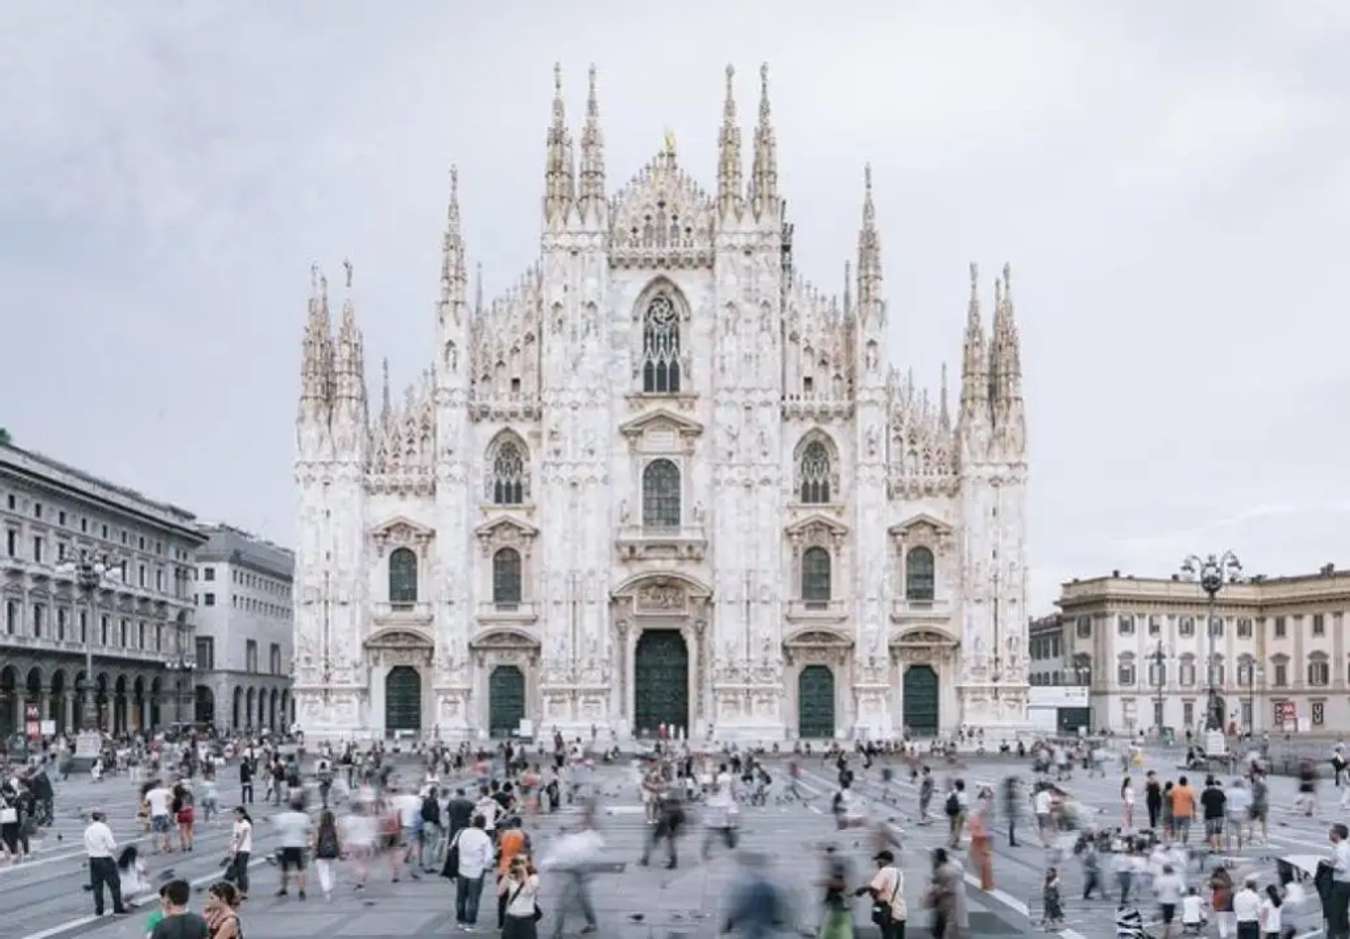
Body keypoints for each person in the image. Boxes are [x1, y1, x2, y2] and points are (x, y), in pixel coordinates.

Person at [723, 851, 786, 939]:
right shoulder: (768, 887)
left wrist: (730, 923)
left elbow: (742, 909)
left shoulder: (751, 887)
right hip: (764, 930)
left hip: (752, 930)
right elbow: (776, 910)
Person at [452, 814, 494, 929]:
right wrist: (486, 867)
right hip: (476, 871)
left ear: (472, 822)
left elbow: (453, 846)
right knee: (473, 898)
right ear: (484, 824)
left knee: (461, 896)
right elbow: (489, 857)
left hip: (462, 869)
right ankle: (470, 922)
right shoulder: (485, 838)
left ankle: (460, 919)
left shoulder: (462, 833)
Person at [84, 809, 127, 917]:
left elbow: (86, 844)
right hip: (105, 858)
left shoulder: (88, 829)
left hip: (93, 859)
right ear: (101, 817)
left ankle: (99, 909)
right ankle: (118, 908)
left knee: (97, 886)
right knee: (114, 885)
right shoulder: (104, 828)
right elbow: (111, 845)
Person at [854, 849, 905, 939]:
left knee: (888, 936)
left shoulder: (884, 871)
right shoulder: (899, 872)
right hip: (900, 910)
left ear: (885, 860)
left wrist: (862, 890)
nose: (877, 863)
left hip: (888, 911)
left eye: (879, 860)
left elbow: (874, 887)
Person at [498, 855, 540, 939]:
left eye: (522, 862)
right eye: (517, 861)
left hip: (527, 919)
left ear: (528, 863)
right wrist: (507, 872)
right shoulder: (511, 877)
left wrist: (524, 872)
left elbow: (529, 892)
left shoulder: (534, 878)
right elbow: (500, 892)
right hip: (511, 918)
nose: (520, 864)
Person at [313, 809, 341, 901]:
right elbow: (339, 841)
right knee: (332, 870)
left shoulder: (318, 828)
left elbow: (316, 842)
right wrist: (340, 852)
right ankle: (331, 885)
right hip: (333, 852)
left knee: (323, 872)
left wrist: (314, 853)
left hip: (321, 853)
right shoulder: (335, 828)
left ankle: (326, 889)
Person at [1329, 823, 1350, 939]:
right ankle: (1344, 933)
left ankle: (1339, 934)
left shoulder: (1340, 849)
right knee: (1343, 910)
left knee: (1338, 911)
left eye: (1331, 832)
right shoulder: (1346, 846)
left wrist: (1330, 865)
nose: (1330, 834)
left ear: (1337, 835)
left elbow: (1342, 867)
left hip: (1341, 883)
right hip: (1347, 882)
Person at [226, 806, 252, 901]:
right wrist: (230, 847)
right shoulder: (235, 823)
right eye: (235, 813)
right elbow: (235, 837)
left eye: (237, 813)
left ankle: (244, 892)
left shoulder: (246, 824)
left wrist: (236, 850)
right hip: (236, 850)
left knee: (242, 871)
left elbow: (242, 838)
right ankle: (238, 891)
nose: (236, 815)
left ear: (242, 814)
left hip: (244, 850)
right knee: (236, 871)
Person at [1154, 863, 1184, 939]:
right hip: (1173, 900)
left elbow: (1156, 891)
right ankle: (1167, 932)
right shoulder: (1176, 878)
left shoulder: (1159, 879)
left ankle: (1166, 932)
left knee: (1165, 916)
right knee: (1169, 917)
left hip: (1162, 900)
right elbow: (1182, 890)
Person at [146, 779, 175, 854]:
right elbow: (173, 798)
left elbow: (146, 804)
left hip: (155, 814)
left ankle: (156, 849)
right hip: (164, 813)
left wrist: (149, 812)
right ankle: (169, 847)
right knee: (167, 831)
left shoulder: (150, 793)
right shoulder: (165, 791)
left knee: (155, 832)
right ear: (160, 784)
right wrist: (167, 804)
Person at [1210, 865, 1235, 939]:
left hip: (1218, 896)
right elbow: (1231, 885)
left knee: (1221, 919)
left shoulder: (1215, 877)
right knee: (1228, 917)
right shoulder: (1227, 876)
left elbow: (1211, 885)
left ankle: (1223, 935)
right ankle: (1227, 933)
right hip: (1228, 896)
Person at [1171, 776, 1195, 845]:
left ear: (1179, 782)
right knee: (1186, 828)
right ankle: (1184, 842)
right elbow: (1193, 801)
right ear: (1186, 782)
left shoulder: (1175, 789)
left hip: (1177, 812)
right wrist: (1194, 813)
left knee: (1177, 828)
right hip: (1187, 813)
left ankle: (1177, 842)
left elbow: (1170, 797)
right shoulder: (1190, 790)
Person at [1040, 866, 1065, 930]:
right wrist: (1044, 896)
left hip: (1053, 899)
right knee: (1050, 912)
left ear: (1053, 873)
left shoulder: (1056, 881)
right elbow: (1044, 889)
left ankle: (1049, 925)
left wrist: (1061, 899)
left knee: (1051, 913)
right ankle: (1051, 924)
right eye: (1047, 872)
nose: (1048, 873)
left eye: (1049, 872)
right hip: (1047, 899)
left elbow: (1060, 890)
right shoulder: (1047, 879)